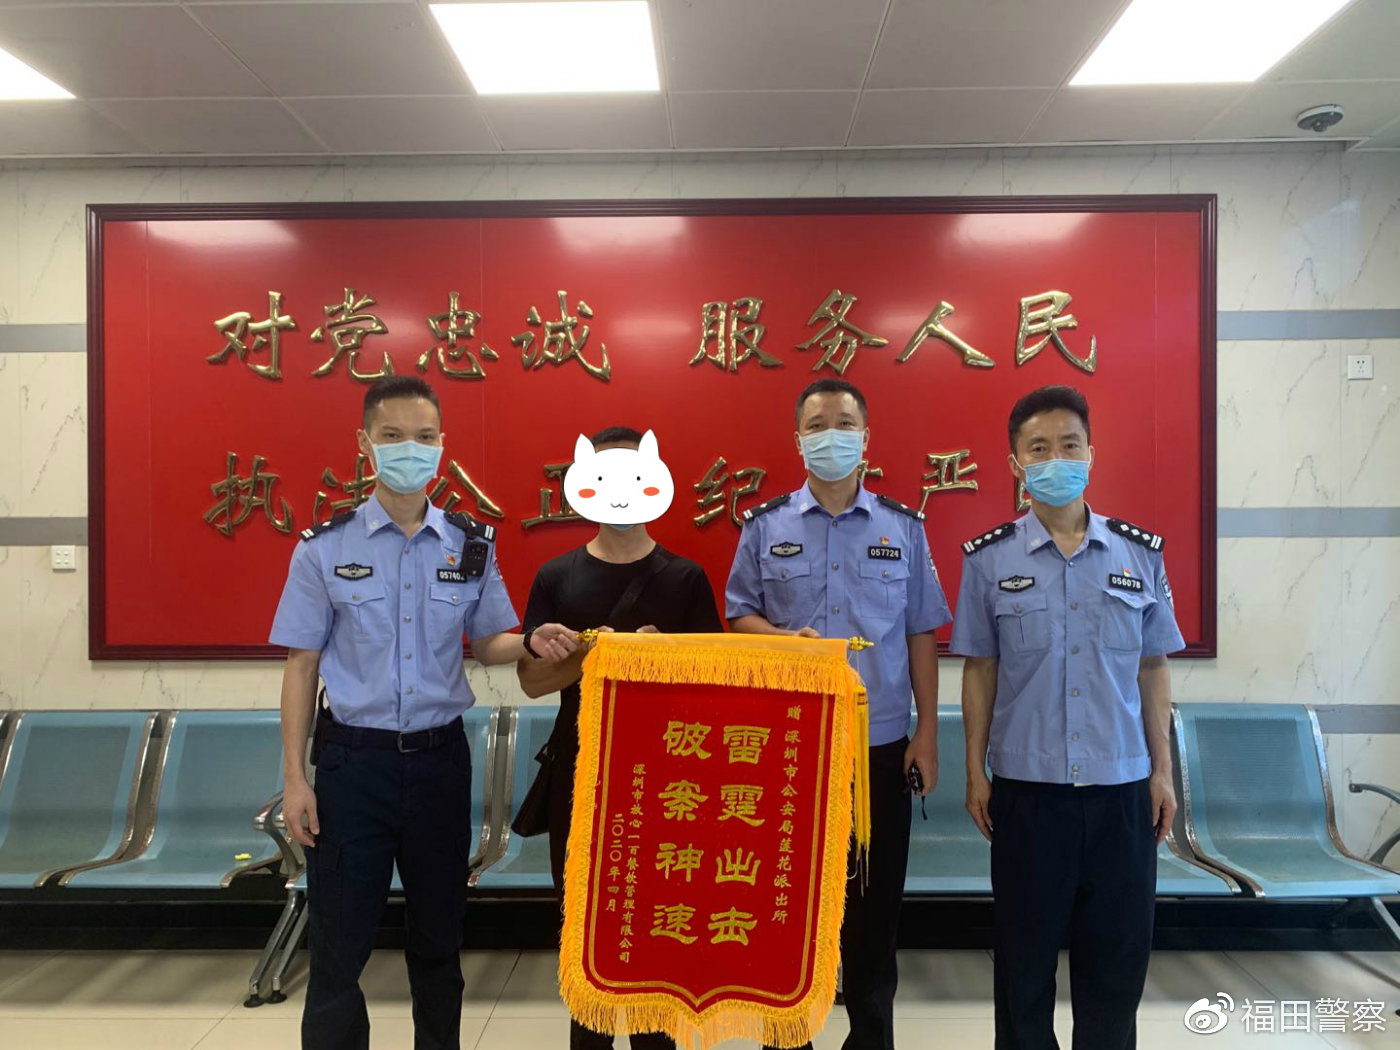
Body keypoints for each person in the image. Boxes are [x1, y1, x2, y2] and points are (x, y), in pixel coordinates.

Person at [271, 375, 577, 1050]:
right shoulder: (324, 547)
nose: (410, 448)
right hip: (352, 767)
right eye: (393, 436)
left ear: (442, 446)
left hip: (440, 765)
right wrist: (295, 779)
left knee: (439, 942)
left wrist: (532, 640)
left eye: (424, 437)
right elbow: (301, 665)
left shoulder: (470, 544)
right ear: (365, 443)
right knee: (339, 947)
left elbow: (490, 641)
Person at [950, 384, 1184, 1050]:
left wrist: (1162, 772)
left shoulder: (1139, 554)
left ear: (1091, 453)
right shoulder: (988, 560)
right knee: (1023, 976)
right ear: (1016, 463)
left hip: (1121, 795)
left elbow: (1152, 667)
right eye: (1039, 448)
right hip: (1029, 798)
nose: (1056, 458)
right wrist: (974, 770)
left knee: (1114, 975)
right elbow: (980, 669)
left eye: (1069, 445)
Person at [724, 377, 950, 1050]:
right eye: (817, 424)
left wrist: (928, 733)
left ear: (865, 438)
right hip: (789, 749)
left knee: (874, 917)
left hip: (878, 750)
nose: (831, 435)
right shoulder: (764, 526)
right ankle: (785, 1037)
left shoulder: (903, 528)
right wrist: (779, 640)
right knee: (787, 910)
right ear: (798, 439)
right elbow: (739, 614)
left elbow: (921, 633)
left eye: (844, 424)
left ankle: (871, 1038)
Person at [516, 424, 723, 1050]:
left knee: (659, 929)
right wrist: (595, 656)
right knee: (583, 927)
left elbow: (716, 685)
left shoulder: (685, 578)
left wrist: (662, 659)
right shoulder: (556, 576)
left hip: (670, 778)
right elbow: (531, 681)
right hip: (581, 768)